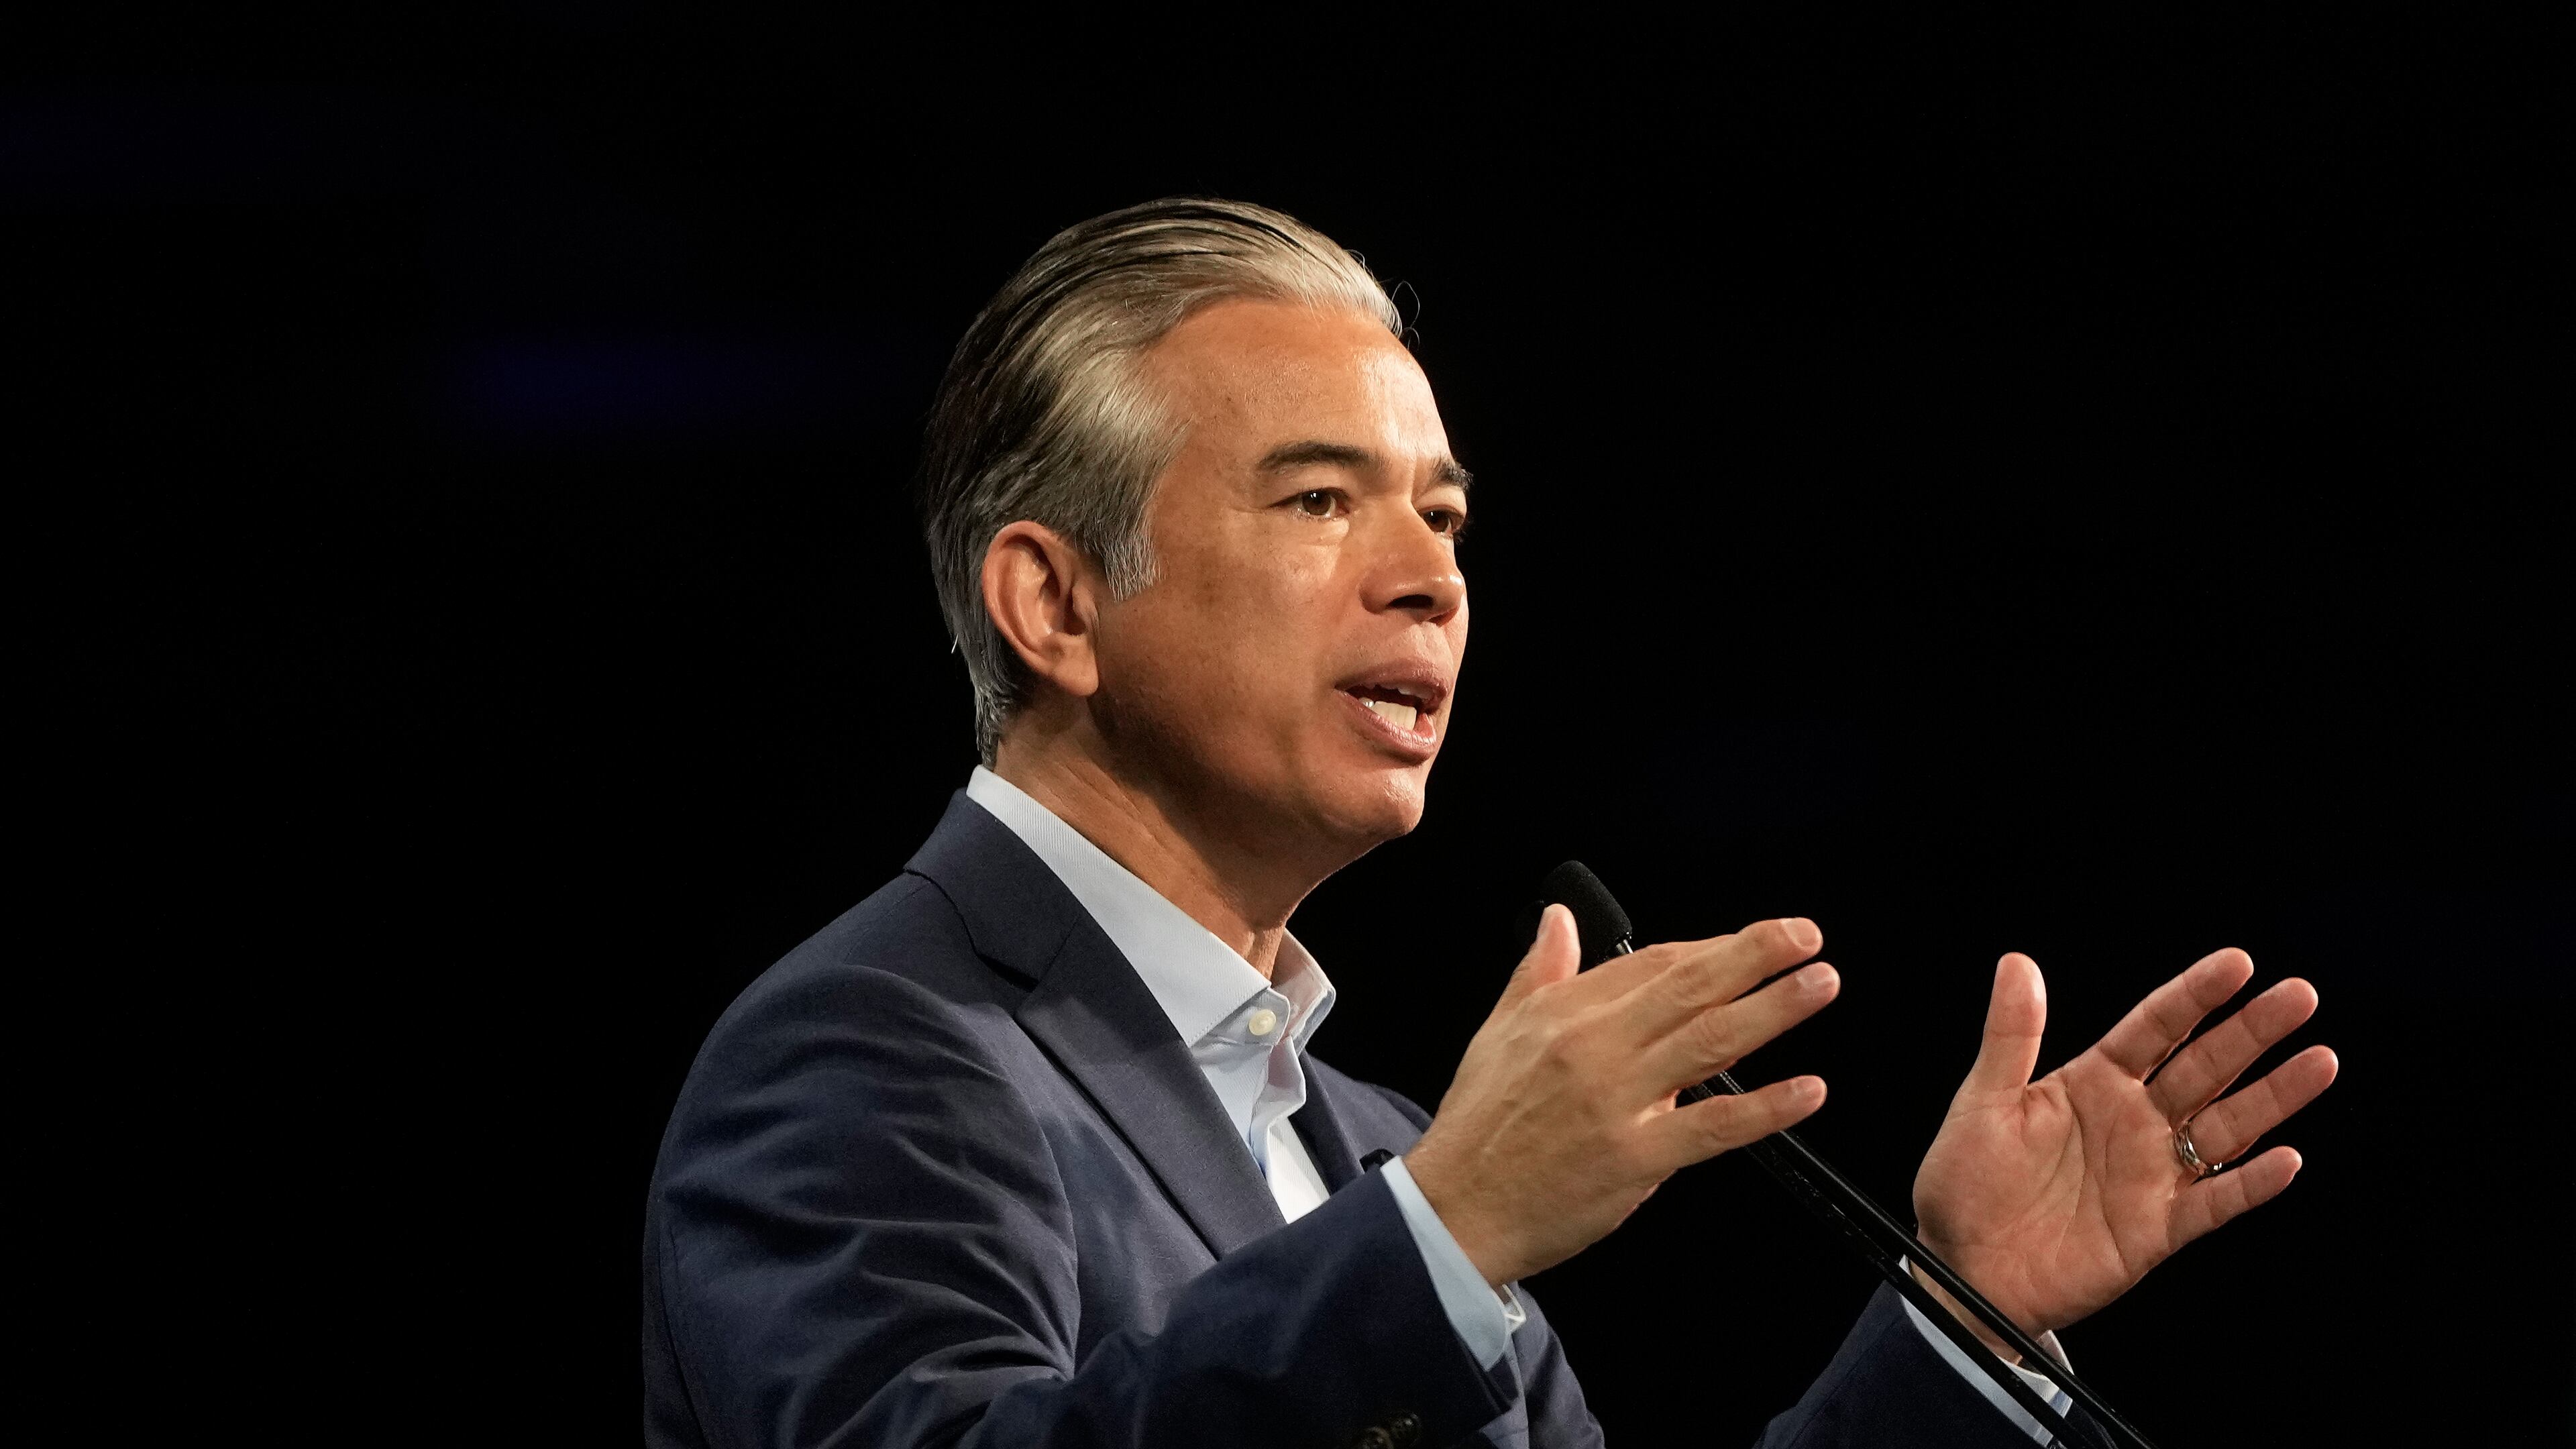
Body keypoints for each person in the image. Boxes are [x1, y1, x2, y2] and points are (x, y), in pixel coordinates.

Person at [642, 199, 2340, 1448]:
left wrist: (1970, 1318)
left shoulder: (1374, 1146)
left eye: (1445, 517)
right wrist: (1442, 1239)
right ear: (1057, 604)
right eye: (1322, 499)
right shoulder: (867, 1053)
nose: (1431, 578)